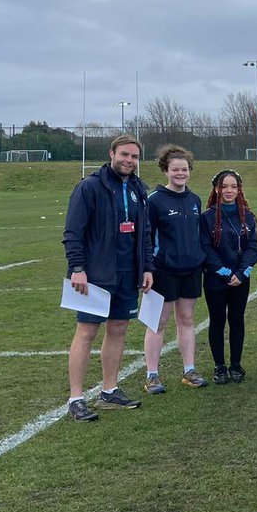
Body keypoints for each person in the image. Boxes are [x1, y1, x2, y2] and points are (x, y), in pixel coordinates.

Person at [61, 134, 153, 421]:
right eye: (124, 154)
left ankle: (109, 391)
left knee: (119, 330)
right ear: (111, 153)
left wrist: (147, 267)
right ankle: (76, 398)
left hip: (127, 274)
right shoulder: (90, 187)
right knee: (86, 332)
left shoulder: (139, 188)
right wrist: (78, 268)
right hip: (94, 275)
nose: (129, 161)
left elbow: (145, 234)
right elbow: (73, 232)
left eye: (135, 157)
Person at [143, 145, 208, 393]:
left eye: (184, 169)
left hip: (191, 269)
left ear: (189, 171)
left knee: (187, 320)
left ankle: (189, 370)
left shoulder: (194, 200)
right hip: (163, 271)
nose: (180, 173)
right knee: (157, 323)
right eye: (175, 169)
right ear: (166, 171)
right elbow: (146, 239)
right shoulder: (155, 200)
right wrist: (148, 268)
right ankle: (152, 375)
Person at [200, 168, 257, 384]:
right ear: (216, 189)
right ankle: (220, 366)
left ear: (239, 189)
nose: (229, 190)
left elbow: (253, 248)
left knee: (236, 321)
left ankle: (236, 364)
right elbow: (205, 249)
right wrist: (224, 272)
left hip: (240, 280)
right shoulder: (207, 217)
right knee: (217, 321)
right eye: (224, 186)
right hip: (217, 280)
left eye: (233, 186)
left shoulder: (248, 216)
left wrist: (242, 272)